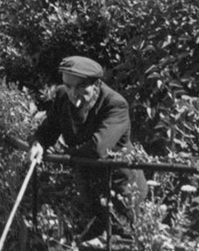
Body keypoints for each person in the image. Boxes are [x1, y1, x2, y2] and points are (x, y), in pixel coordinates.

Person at [29, 55, 130, 241]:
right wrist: (38, 144)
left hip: (121, 193)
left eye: (81, 86)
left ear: (96, 84)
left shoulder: (115, 105)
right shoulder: (62, 97)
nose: (73, 93)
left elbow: (97, 148)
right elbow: (47, 130)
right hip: (90, 194)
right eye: (68, 86)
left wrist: (63, 154)